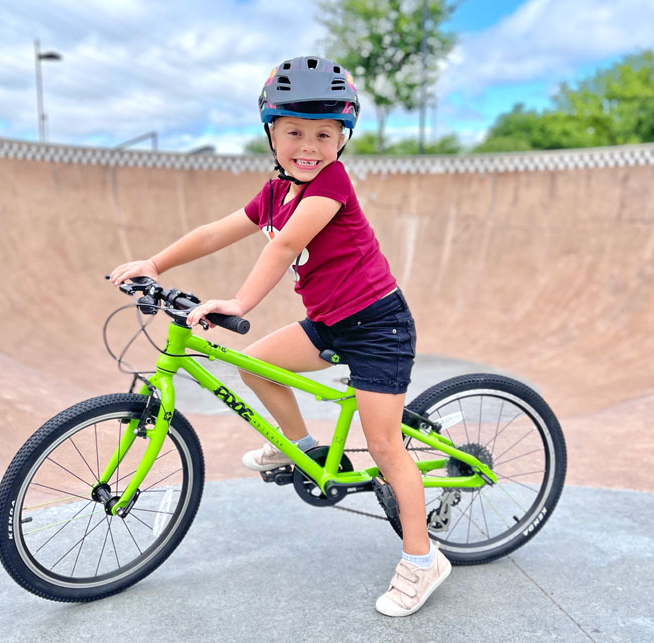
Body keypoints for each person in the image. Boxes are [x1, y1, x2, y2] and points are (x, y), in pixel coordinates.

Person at [109, 55, 450, 617]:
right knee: (255, 364)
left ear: (343, 140)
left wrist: (239, 303)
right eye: (294, 132)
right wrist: (156, 262)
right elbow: (217, 230)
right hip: (330, 321)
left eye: (324, 133)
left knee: (386, 445)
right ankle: (303, 451)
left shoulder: (331, 185)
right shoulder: (275, 191)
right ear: (271, 133)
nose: (309, 145)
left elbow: (284, 247)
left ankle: (422, 559)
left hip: (378, 327)